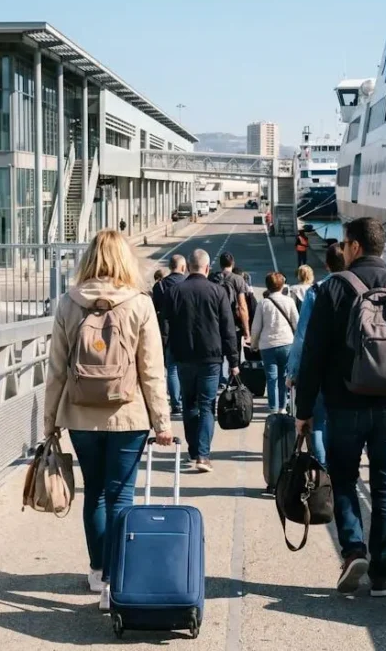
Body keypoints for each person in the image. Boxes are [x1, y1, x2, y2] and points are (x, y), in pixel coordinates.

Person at [295, 217, 386, 598]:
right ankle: (381, 573)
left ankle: (354, 549)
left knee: (343, 479)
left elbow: (314, 355)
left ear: (354, 246)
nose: (341, 249)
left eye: (344, 244)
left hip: (343, 405)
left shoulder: (334, 289)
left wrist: (304, 410)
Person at [42, 229, 171, 609]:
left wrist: (49, 422)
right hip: (127, 415)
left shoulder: (69, 302)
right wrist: (161, 422)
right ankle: (117, 581)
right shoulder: (139, 304)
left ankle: (99, 571)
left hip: (80, 414)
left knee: (94, 493)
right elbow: (152, 370)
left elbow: (56, 370)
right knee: (121, 495)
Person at [165, 249, 239, 472]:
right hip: (211, 358)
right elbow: (227, 329)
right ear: (207, 268)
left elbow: (166, 326)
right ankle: (203, 456)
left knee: (189, 403)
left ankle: (194, 449)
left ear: (187, 267)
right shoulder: (218, 292)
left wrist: (167, 353)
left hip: (184, 356)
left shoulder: (174, 292)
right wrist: (233, 361)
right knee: (207, 405)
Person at [288, 243, 346, 466]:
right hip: (351, 371)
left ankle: (324, 470)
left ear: (326, 264)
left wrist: (293, 371)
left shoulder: (316, 291)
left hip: (320, 368)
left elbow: (302, 336)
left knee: (319, 422)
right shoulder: (359, 287)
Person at [251, 271, 299, 413]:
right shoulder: (289, 301)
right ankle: (283, 407)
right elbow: (297, 323)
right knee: (284, 376)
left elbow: (256, 328)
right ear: (282, 285)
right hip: (286, 343)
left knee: (271, 378)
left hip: (267, 345)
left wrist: (254, 344)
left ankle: (273, 407)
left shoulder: (263, 304)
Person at [152, 254, 188, 415]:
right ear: (182, 267)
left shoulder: (159, 286)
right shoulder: (188, 284)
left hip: (166, 333)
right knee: (187, 368)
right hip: (187, 332)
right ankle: (186, 399)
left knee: (171, 369)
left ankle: (176, 404)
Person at [208, 252, 251, 375]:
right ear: (233, 263)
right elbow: (242, 306)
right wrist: (247, 330)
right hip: (233, 323)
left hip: (214, 322)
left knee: (217, 354)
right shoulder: (237, 279)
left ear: (220, 264)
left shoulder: (212, 278)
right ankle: (233, 380)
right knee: (234, 352)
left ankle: (218, 378)